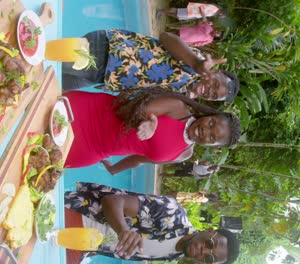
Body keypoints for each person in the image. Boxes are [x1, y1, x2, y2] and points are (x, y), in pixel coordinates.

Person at [63, 87, 241, 173]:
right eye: (211, 123)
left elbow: (139, 159)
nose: (205, 130)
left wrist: (114, 169)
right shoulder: (178, 108)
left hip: (92, 151)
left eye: (212, 137)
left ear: (213, 146)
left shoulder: (184, 154)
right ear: (210, 114)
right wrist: (150, 122)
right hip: (88, 113)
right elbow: (138, 108)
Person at [64, 182, 240, 263]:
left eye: (209, 258)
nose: (204, 251)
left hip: (82, 245)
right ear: (209, 229)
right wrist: (123, 230)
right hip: (77, 216)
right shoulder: (173, 214)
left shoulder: (174, 256)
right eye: (210, 243)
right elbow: (113, 201)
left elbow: (120, 250)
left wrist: (89, 252)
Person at [62, 29, 240, 103]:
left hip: (102, 77)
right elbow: (166, 37)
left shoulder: (184, 91)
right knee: (48, 60)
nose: (210, 91)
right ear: (214, 72)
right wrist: (195, 62)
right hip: (105, 53)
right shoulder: (194, 64)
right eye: (215, 85)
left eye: (213, 96)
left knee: (52, 82)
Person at [158, 2, 226, 21]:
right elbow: (202, 7)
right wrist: (204, 17)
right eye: (222, 16)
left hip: (193, 14)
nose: (221, 17)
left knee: (177, 15)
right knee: (176, 11)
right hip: (192, 10)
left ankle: (163, 12)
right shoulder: (214, 8)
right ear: (221, 13)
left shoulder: (214, 13)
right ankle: (161, 11)